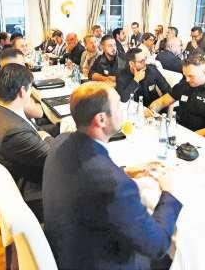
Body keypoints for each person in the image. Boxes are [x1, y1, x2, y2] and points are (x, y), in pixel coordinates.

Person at [43, 82, 182, 269]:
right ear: (101, 119)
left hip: (66, 249)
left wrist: (126, 171)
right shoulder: (115, 185)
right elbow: (157, 245)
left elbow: (88, 179)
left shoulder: (61, 141)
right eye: (118, 105)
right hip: (97, 261)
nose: (122, 110)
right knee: (173, 256)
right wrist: (169, 192)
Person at [0, 63, 54, 219]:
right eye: (30, 89)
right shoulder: (13, 133)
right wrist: (46, 136)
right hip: (37, 185)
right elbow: (54, 158)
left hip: (28, 164)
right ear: (23, 91)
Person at [149, 55, 205, 138]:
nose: (187, 80)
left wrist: (186, 137)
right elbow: (162, 101)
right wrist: (151, 110)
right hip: (178, 130)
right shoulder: (183, 85)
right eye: (185, 75)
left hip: (198, 138)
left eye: (191, 76)